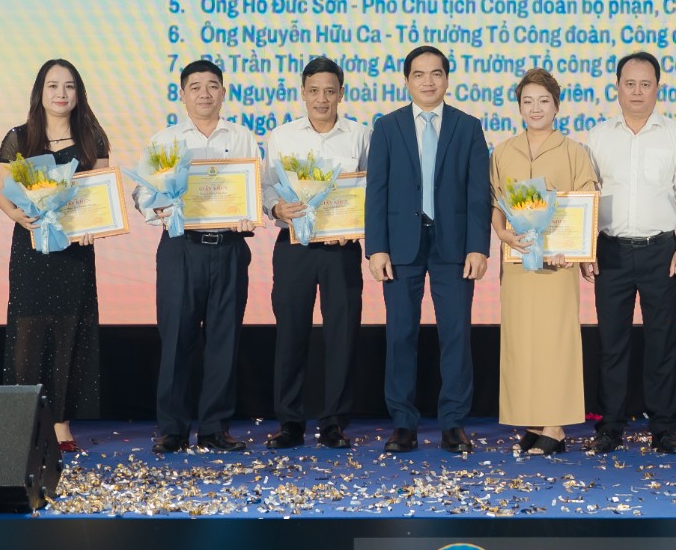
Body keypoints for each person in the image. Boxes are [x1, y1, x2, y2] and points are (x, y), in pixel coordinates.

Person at [365, 45, 491, 453]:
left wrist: (478, 247)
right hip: (401, 245)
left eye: (436, 73)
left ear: (447, 79)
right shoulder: (387, 127)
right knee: (400, 334)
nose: (428, 81)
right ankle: (403, 424)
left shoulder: (468, 127)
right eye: (419, 74)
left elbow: (478, 193)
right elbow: (376, 191)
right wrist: (376, 248)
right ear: (407, 81)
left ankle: (453, 423)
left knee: (456, 334)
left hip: (453, 245)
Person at [138, 57, 255, 455]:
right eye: (196, 87)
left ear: (223, 92)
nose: (205, 93)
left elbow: (256, 189)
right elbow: (143, 194)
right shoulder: (164, 141)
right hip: (181, 248)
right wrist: (160, 207)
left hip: (229, 248)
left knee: (224, 340)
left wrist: (250, 212)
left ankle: (214, 428)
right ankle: (172, 429)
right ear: (183, 94)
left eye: (212, 86)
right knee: (175, 339)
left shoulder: (242, 137)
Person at [583, 49, 676, 454]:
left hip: (660, 251)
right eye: (629, 83)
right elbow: (588, 194)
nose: (637, 91)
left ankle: (663, 428)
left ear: (657, 88)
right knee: (611, 343)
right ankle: (609, 427)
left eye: (645, 84)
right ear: (617, 87)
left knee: (662, 343)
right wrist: (586, 248)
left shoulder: (674, 134)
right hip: (610, 251)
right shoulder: (599, 135)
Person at [0, 57, 108, 452]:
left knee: (67, 334)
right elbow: (2, 193)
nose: (61, 93)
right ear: (40, 93)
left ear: (79, 94)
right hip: (31, 248)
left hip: (74, 252)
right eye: (53, 86)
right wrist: (18, 216)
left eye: (69, 86)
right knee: (27, 333)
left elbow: (100, 196)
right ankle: (24, 418)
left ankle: (61, 422)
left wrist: (96, 224)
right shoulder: (19, 138)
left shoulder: (92, 138)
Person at [491, 69, 599, 453]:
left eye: (543, 101)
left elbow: (586, 204)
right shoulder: (503, 151)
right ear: (519, 107)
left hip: (558, 264)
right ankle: (534, 421)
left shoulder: (574, 151)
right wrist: (502, 233)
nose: (535, 108)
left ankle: (555, 425)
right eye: (527, 101)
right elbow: (495, 203)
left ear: (556, 106)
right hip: (517, 261)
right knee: (521, 342)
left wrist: (581, 252)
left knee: (555, 341)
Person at [265, 56, 369, 450]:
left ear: (341, 93)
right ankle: (290, 422)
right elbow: (266, 186)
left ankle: (334, 423)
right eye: (314, 91)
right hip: (294, 247)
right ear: (303, 93)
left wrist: (356, 225)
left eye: (329, 91)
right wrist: (276, 208)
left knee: (342, 335)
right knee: (290, 333)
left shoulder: (361, 136)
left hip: (342, 250)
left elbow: (372, 189)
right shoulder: (282, 136)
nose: (321, 99)